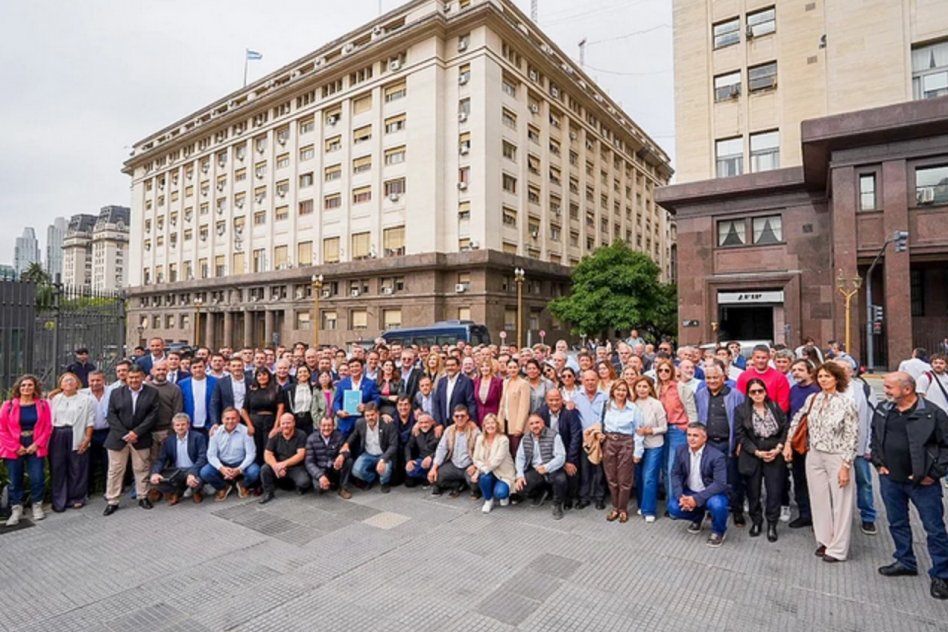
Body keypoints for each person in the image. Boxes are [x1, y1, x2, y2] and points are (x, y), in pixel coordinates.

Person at [871, 372, 948, 600]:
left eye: (889, 387)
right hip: (890, 479)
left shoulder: (932, 414)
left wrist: (933, 474)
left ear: (907, 390)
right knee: (897, 523)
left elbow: (946, 447)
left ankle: (942, 575)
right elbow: (874, 437)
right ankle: (905, 561)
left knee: (934, 529)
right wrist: (878, 463)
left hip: (923, 484)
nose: (885, 391)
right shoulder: (884, 409)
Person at [784, 362, 858, 562]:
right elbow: (798, 420)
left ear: (837, 379)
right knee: (819, 499)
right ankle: (824, 541)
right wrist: (788, 443)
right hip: (814, 454)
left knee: (841, 502)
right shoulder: (813, 398)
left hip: (837, 455)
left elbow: (852, 436)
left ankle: (838, 548)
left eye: (828, 376)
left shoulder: (846, 402)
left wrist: (845, 465)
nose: (823, 380)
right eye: (821, 376)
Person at [735, 378, 789, 542]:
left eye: (760, 391)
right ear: (748, 394)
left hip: (774, 450)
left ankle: (772, 524)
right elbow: (741, 435)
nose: (757, 394)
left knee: (774, 490)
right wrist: (756, 452)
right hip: (753, 451)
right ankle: (756, 521)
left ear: (765, 392)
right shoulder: (741, 410)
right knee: (753, 491)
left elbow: (786, 428)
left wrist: (779, 447)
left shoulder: (774, 407)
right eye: (753, 392)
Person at [694, 362, 746, 524]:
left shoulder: (736, 394)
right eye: (708, 378)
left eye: (715, 377)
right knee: (709, 479)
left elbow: (742, 421)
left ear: (723, 377)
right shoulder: (701, 394)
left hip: (728, 443)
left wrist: (739, 443)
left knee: (733, 479)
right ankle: (713, 508)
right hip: (709, 444)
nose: (712, 381)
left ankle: (737, 510)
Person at [104, 365, 160, 515]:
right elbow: (111, 415)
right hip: (118, 438)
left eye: (136, 377)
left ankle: (143, 496)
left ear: (142, 377)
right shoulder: (116, 393)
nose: (134, 380)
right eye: (131, 377)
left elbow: (153, 415)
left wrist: (136, 432)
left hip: (140, 438)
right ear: (126, 378)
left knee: (141, 468)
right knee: (115, 470)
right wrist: (124, 433)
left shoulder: (152, 393)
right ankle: (112, 500)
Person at [834, 359, 879, 535]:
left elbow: (872, 417)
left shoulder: (864, 389)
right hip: (835, 447)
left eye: (843, 370)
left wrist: (869, 445)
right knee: (837, 482)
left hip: (858, 446)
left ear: (851, 372)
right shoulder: (828, 388)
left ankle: (868, 516)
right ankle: (839, 517)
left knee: (864, 482)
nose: (840, 372)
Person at [667, 422, 730, 548]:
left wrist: (696, 499)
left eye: (695, 435)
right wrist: (681, 497)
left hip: (710, 494)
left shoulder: (717, 456)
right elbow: (675, 474)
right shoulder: (681, 450)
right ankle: (698, 516)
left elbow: (720, 483)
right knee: (673, 507)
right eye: (689, 435)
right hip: (690, 491)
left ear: (704, 438)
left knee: (718, 505)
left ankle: (718, 531)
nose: (691, 438)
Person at [0, 375, 52, 525]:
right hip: (14, 446)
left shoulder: (42, 405)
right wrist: (16, 447)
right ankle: (16, 509)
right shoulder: (8, 405)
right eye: (23, 385)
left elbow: (47, 427)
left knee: (37, 477)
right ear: (18, 388)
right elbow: (2, 429)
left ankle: (37, 505)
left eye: (30, 385)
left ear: (35, 387)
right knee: (15, 480)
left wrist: (37, 444)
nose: (26, 388)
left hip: (35, 444)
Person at [599, 381, 646, 523]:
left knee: (624, 479)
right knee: (611, 478)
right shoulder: (606, 406)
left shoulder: (633, 408)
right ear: (613, 391)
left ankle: (623, 508)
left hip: (626, 443)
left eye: (624, 390)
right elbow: (600, 424)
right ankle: (615, 508)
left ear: (627, 392)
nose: (620, 393)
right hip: (609, 442)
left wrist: (638, 452)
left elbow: (639, 431)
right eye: (618, 390)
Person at [48, 373, 96, 512]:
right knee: (58, 467)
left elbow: (90, 421)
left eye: (72, 380)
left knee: (77, 467)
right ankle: (59, 500)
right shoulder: (55, 399)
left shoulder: (86, 399)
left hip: (77, 433)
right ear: (61, 384)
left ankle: (77, 497)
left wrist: (87, 438)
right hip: (57, 435)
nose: (69, 383)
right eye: (65, 381)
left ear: (77, 384)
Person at [656, 357, 697, 503]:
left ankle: (675, 503)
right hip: (660, 431)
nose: (663, 373)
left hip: (677, 429)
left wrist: (691, 430)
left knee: (674, 467)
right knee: (665, 468)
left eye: (667, 370)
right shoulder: (656, 388)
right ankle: (669, 501)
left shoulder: (682, 388)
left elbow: (692, 411)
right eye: (660, 370)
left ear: (672, 372)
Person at [514, 414, 568, 520]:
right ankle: (541, 492)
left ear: (543, 423)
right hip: (536, 470)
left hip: (552, 468)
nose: (535, 426)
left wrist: (547, 467)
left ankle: (557, 504)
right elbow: (520, 457)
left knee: (561, 480)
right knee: (521, 487)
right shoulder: (525, 438)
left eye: (537, 422)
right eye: (531, 424)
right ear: (528, 426)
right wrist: (519, 475)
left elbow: (561, 457)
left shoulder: (554, 436)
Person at [200, 407, 260, 500]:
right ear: (222, 419)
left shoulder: (245, 431)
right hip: (223, 463)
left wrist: (239, 469)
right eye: (227, 418)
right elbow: (211, 455)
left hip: (240, 462)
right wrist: (221, 468)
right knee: (205, 472)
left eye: (233, 418)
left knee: (255, 471)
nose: (230, 421)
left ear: (238, 419)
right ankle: (223, 487)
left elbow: (251, 454)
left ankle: (242, 484)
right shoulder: (215, 432)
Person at [537, 389, 583, 509]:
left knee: (571, 470)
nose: (554, 403)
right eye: (551, 400)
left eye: (557, 399)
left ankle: (568, 497)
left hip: (567, 449)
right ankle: (547, 492)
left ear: (562, 400)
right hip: (548, 450)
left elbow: (576, 436)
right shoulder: (541, 412)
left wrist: (569, 460)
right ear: (546, 401)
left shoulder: (570, 413)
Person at [148, 412, 207, 505]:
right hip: (177, 471)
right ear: (173, 427)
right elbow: (161, 459)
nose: (180, 427)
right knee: (157, 480)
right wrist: (155, 473)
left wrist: (192, 473)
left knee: (199, 479)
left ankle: (196, 491)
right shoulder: (169, 440)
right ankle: (177, 492)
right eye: (177, 425)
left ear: (188, 425)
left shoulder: (198, 437)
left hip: (193, 469)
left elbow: (202, 457)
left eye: (183, 424)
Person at [339, 403, 398, 493]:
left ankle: (384, 482)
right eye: (367, 415)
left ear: (377, 413)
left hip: (383, 454)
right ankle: (371, 478)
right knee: (356, 471)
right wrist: (346, 444)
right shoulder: (360, 423)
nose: (370, 417)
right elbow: (354, 435)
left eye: (372, 415)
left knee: (385, 469)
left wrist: (383, 460)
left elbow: (393, 445)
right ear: (364, 416)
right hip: (368, 454)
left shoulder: (388, 424)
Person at [630, 376, 666, 522]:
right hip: (637, 446)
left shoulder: (656, 404)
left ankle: (649, 510)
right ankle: (641, 504)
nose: (642, 389)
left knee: (649, 477)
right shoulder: (632, 403)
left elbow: (664, 427)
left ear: (650, 388)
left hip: (654, 445)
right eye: (639, 386)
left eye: (645, 386)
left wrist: (650, 431)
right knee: (638, 477)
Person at [573, 368, 608, 510]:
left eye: (593, 379)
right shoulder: (576, 397)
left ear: (598, 380)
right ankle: (584, 497)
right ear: (582, 381)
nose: (590, 382)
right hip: (585, 439)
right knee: (585, 470)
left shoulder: (605, 396)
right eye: (587, 380)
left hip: (600, 438)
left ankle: (599, 497)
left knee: (599, 470)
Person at [428, 405, 481, 497]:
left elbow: (482, 451)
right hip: (453, 465)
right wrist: (434, 468)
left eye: (462, 416)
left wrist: (475, 466)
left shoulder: (475, 431)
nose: (460, 418)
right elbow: (441, 449)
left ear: (467, 417)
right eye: (457, 416)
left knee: (475, 484)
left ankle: (468, 484)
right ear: (453, 418)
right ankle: (458, 484)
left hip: (469, 466)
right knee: (435, 478)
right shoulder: (449, 430)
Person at [259, 413, 310, 503]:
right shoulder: (275, 435)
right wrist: (276, 466)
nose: (285, 426)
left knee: (304, 482)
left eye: (288, 423)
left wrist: (284, 464)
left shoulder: (301, 434)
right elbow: (267, 454)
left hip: (295, 467)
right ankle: (268, 492)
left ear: (294, 423)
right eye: (283, 423)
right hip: (278, 465)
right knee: (265, 469)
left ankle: (295, 486)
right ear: (280, 424)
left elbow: (301, 455)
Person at [472, 413, 516, 513]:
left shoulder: (503, 440)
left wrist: (479, 471)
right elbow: (476, 458)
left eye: (493, 423)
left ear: (497, 425)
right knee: (484, 477)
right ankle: (488, 500)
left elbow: (497, 460)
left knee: (500, 493)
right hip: (488, 471)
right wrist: (481, 468)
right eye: (487, 423)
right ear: (484, 426)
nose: (490, 426)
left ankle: (503, 492)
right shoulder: (480, 439)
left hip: (503, 473)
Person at [304, 416, 353, 499]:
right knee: (319, 489)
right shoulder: (311, 439)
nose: (326, 428)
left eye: (329, 425)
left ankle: (343, 488)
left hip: (334, 467)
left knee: (349, 461)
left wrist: (342, 456)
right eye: (323, 425)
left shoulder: (339, 436)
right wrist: (320, 476)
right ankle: (330, 482)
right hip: (320, 469)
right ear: (319, 426)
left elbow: (347, 451)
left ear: (334, 426)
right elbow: (309, 462)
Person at [244, 367, 285, 465]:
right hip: (255, 423)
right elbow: (243, 410)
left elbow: (281, 407)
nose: (262, 377)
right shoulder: (251, 390)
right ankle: (256, 476)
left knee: (270, 449)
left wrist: (276, 427)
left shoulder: (276, 388)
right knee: (256, 449)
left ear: (269, 376)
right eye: (259, 375)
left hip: (270, 422)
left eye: (264, 374)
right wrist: (249, 425)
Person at [333, 358, 380, 439]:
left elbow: (377, 400)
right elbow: (336, 401)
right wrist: (339, 411)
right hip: (346, 422)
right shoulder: (342, 383)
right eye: (351, 367)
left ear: (362, 368)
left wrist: (366, 406)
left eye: (356, 366)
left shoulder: (370, 383)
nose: (354, 369)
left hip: (364, 421)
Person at [737, 344, 790, 413]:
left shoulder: (779, 377)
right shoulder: (743, 376)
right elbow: (740, 399)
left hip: (773, 417)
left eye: (763, 358)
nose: (760, 361)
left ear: (769, 358)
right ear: (753, 358)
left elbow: (783, 403)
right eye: (758, 357)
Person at [82, 370, 111, 494]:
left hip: (108, 432)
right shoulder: (82, 394)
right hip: (89, 433)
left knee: (108, 462)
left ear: (103, 380)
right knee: (89, 462)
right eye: (92, 380)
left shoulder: (112, 392)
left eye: (98, 380)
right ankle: (88, 489)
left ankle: (108, 489)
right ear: (88, 381)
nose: (95, 383)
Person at [432, 356, 477, 428]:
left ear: (459, 367)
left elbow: (471, 402)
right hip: (443, 424)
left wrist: (472, 420)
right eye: (448, 366)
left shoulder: (466, 381)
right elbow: (437, 402)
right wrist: (438, 423)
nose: (450, 368)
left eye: (453, 365)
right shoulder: (441, 381)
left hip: (461, 423)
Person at [498, 358, 531, 458]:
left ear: (519, 368)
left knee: (516, 451)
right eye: (510, 367)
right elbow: (502, 403)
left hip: (517, 424)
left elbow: (524, 407)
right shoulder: (505, 382)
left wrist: (519, 427)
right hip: (506, 421)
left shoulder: (523, 383)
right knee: (506, 450)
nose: (512, 370)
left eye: (515, 367)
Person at [209, 357, 253, 430]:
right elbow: (215, 403)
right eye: (234, 366)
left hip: (247, 419)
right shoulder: (221, 382)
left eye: (239, 366)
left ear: (243, 366)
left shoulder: (251, 381)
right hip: (229, 419)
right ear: (229, 367)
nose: (237, 368)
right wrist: (215, 422)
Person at [179, 357, 216, 437]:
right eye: (194, 367)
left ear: (205, 367)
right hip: (190, 425)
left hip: (209, 425)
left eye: (200, 367)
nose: (198, 370)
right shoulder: (182, 384)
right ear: (190, 369)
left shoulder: (215, 382)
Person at [404, 413, 439, 486]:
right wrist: (409, 460)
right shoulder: (416, 431)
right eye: (421, 423)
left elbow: (443, 450)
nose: (424, 425)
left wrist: (431, 457)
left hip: (435, 460)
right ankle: (426, 477)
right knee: (410, 470)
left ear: (432, 422)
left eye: (426, 422)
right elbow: (408, 446)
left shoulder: (437, 432)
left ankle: (431, 477)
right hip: (421, 459)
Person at [283, 365, 318, 437]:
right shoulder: (289, 389)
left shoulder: (314, 388)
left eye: (305, 372)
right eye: (300, 372)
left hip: (309, 419)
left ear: (309, 374)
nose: (303, 374)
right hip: (294, 418)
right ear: (297, 375)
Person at [473, 358, 503, 426]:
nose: (484, 368)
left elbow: (501, 401)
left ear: (491, 367)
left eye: (487, 366)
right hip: (479, 418)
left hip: (494, 418)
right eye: (482, 366)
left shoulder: (498, 382)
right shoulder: (475, 382)